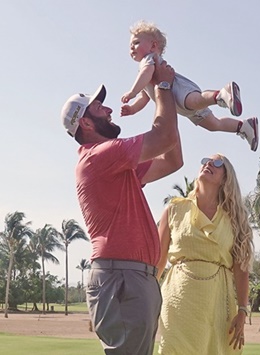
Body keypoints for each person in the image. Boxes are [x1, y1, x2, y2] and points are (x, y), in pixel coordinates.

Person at [60, 59, 180, 355]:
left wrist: (160, 94)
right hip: (123, 278)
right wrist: (162, 87)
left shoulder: (116, 165)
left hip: (135, 278)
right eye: (99, 108)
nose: (109, 109)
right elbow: (164, 137)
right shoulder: (99, 156)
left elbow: (173, 159)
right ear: (85, 123)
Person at [156, 154, 254, 354]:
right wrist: (145, 297)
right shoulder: (174, 209)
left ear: (226, 179)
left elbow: (241, 269)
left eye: (218, 163)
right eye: (205, 161)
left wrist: (243, 310)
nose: (208, 163)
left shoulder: (235, 218)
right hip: (178, 300)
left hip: (218, 305)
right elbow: (157, 261)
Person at [121, 20, 260, 152]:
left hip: (179, 90)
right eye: (130, 45)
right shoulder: (144, 73)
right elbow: (144, 97)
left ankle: (221, 94)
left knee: (196, 101)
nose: (131, 47)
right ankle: (244, 126)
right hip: (181, 106)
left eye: (136, 42)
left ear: (153, 46)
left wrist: (132, 91)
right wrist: (133, 108)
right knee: (213, 125)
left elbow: (146, 73)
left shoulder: (149, 59)